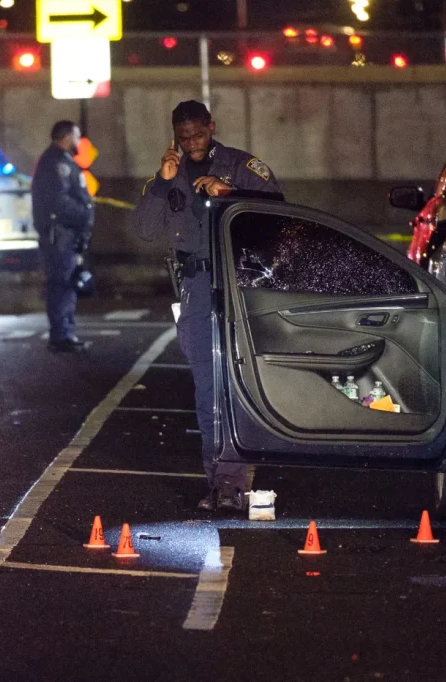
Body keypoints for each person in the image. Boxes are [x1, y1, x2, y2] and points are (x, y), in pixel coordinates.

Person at [133, 100, 280, 512]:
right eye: (184, 138)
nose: (192, 144)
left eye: (198, 134)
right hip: (196, 287)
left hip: (239, 285)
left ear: (211, 127)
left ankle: (233, 480)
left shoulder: (241, 166)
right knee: (207, 389)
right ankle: (218, 482)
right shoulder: (170, 174)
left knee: (238, 383)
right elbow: (145, 230)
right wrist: (161, 185)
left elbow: (276, 213)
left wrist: (229, 194)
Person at [32, 120, 94, 353]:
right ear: (67, 137)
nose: (79, 141)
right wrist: (83, 213)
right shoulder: (56, 163)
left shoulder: (61, 160)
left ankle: (66, 332)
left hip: (66, 234)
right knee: (61, 284)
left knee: (67, 283)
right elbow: (58, 201)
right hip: (59, 235)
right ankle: (61, 336)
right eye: (77, 136)